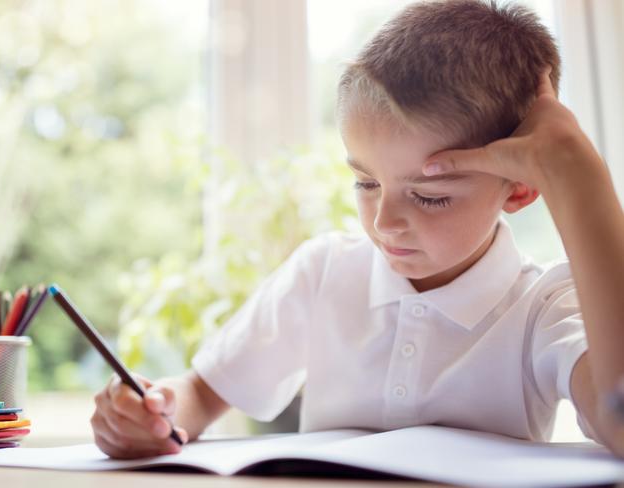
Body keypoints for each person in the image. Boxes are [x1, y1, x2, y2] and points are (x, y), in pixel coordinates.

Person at [90, 0, 624, 459]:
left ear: (520, 188)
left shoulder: (545, 308)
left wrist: (577, 173)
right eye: (366, 183)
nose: (384, 222)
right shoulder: (324, 271)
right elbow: (203, 394)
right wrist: (153, 412)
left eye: (430, 194)